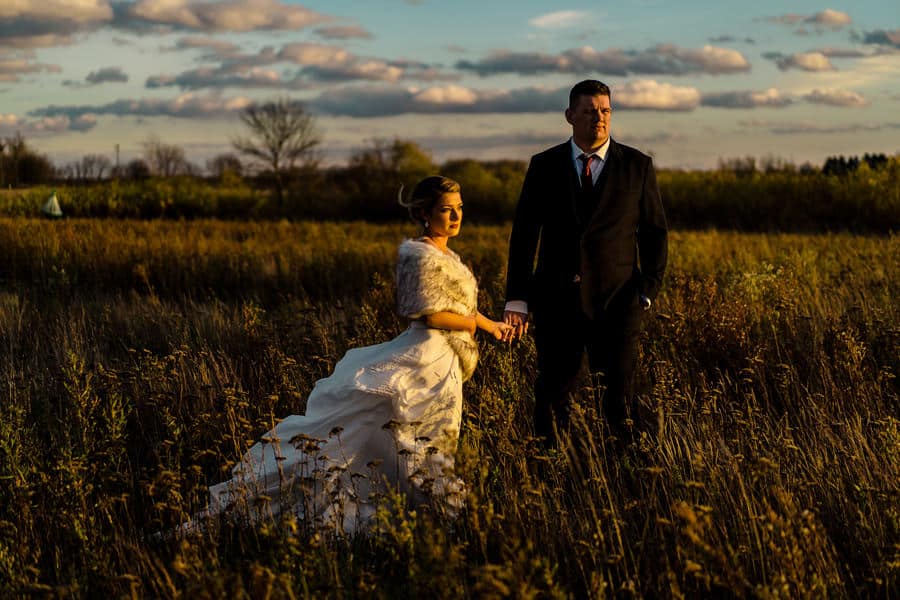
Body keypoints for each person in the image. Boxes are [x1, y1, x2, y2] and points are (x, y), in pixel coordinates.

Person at [207, 176, 514, 533]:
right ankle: (420, 513)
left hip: (444, 360)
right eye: (447, 210)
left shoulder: (447, 254)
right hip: (424, 355)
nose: (456, 216)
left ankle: (427, 515)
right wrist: (470, 326)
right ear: (424, 213)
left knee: (436, 435)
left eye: (459, 208)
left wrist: (491, 325)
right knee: (415, 439)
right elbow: (425, 313)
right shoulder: (418, 255)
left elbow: (457, 305)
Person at [503, 80, 668, 447]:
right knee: (551, 401)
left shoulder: (637, 166)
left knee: (620, 404)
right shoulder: (543, 166)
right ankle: (549, 480)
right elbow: (525, 235)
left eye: (606, 110)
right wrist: (517, 297)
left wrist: (646, 291)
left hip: (618, 304)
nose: (599, 118)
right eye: (590, 111)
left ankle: (626, 482)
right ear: (570, 116)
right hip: (556, 304)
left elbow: (654, 232)